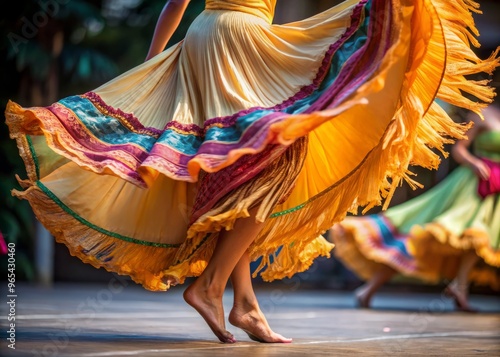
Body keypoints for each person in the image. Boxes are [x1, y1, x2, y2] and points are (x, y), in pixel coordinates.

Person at [4, 0, 499, 343]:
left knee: (239, 164)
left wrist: (156, 61)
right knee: (279, 159)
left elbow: (176, 4)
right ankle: (211, 286)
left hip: (208, 38)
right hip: (236, 42)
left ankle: (245, 304)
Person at [328, 100, 500, 312]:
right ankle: (369, 289)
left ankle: (460, 289)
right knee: (418, 237)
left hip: (495, 194)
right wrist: (476, 163)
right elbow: (459, 150)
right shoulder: (483, 114)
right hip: (472, 186)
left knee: (477, 242)